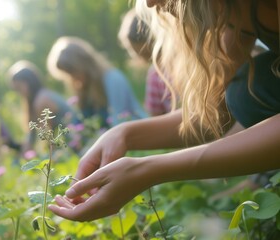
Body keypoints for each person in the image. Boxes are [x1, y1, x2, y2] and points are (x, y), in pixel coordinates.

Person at [48, 0, 280, 221]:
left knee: (249, 87)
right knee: (243, 93)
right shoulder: (236, 20)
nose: (149, 4)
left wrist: (150, 170)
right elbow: (216, 114)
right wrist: (125, 134)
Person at [47, 36, 148, 128]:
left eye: (73, 71)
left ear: (83, 63)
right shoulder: (84, 90)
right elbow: (79, 124)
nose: (73, 77)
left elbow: (119, 121)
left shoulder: (113, 79)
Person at [8, 60, 78, 152]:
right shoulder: (41, 96)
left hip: (75, 140)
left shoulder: (42, 100)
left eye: (19, 88)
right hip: (68, 141)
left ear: (28, 82)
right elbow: (33, 135)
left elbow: (47, 137)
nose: (19, 93)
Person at [118, 9, 172, 116]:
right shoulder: (154, 74)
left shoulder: (156, 75)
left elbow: (156, 117)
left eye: (150, 53)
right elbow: (156, 116)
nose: (154, 61)